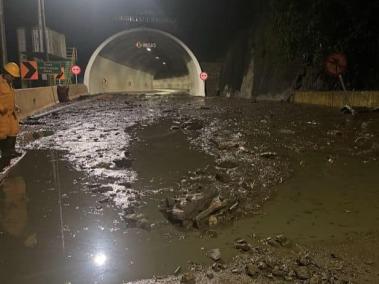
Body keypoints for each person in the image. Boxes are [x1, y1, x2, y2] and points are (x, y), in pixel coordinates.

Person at [0, 62, 22, 171]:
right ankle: (4, 160)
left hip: (10, 114)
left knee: (13, 131)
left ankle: (10, 152)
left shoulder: (9, 83)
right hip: (2, 115)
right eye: (12, 76)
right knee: (3, 135)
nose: (13, 78)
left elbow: (9, 98)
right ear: (7, 73)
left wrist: (15, 106)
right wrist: (1, 107)